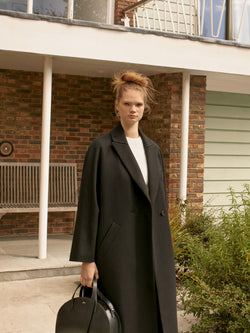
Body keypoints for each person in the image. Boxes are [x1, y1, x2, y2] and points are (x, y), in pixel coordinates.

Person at [70, 71, 178, 333]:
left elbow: (159, 203)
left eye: (138, 104)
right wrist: (87, 259)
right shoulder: (101, 148)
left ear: (145, 108)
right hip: (117, 253)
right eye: (127, 104)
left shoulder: (153, 150)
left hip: (153, 247)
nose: (133, 109)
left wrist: (166, 252)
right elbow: (88, 204)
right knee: (124, 318)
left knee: (156, 315)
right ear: (116, 106)